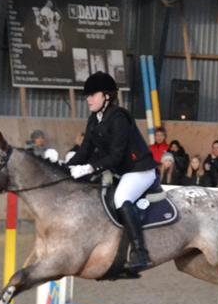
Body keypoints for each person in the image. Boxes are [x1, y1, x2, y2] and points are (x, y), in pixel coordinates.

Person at [67, 71, 157, 274]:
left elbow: (116, 156)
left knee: (121, 198)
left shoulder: (119, 118)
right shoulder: (94, 119)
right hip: (121, 172)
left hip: (139, 170)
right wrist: (66, 167)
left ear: (106, 96)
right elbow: (85, 151)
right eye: (87, 95)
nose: (88, 99)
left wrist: (89, 168)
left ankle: (140, 252)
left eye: (92, 95)